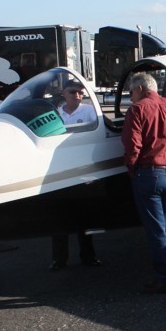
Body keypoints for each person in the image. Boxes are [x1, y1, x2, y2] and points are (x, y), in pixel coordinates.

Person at [122, 72, 166, 294]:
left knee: (156, 231)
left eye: (131, 92)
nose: (131, 97)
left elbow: (133, 146)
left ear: (140, 89)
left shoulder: (137, 109)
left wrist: (132, 169)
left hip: (149, 173)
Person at [50, 81, 103, 270]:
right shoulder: (56, 114)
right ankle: (59, 260)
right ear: (63, 93)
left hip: (83, 171)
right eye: (73, 92)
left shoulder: (90, 111)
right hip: (59, 171)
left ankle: (89, 256)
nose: (78, 95)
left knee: (85, 218)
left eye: (81, 93)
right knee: (59, 220)